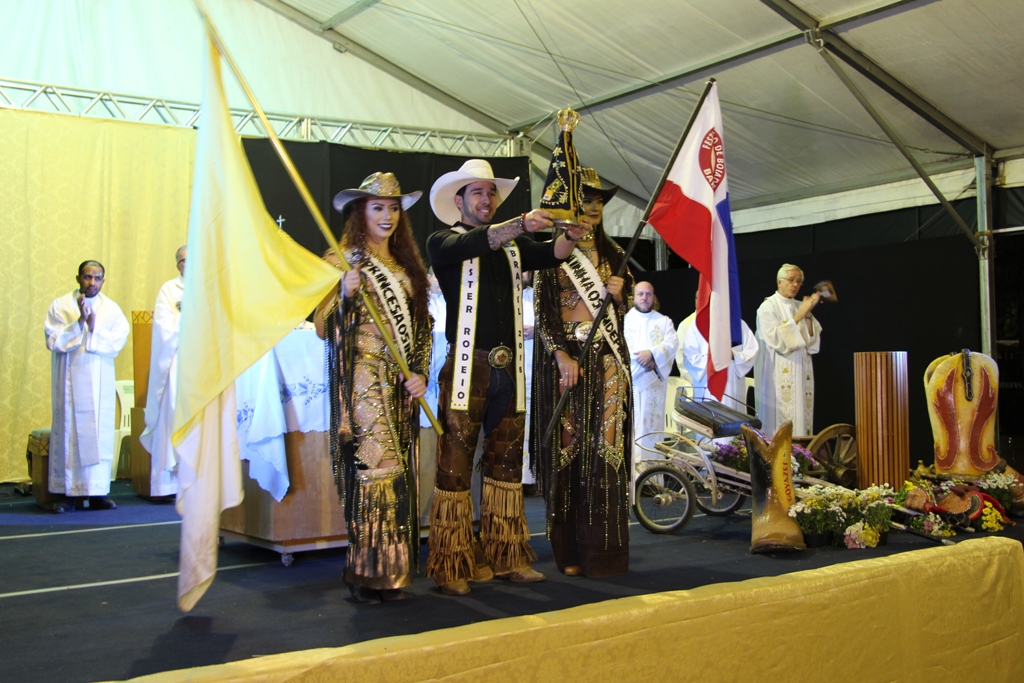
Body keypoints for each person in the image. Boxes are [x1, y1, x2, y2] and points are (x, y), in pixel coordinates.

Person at [425, 158, 588, 596]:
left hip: (508, 367)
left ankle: (506, 555)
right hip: (467, 369)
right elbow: (483, 240)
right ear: (458, 201)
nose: (486, 199)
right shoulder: (443, 242)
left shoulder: (514, 247)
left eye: (490, 192)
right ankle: (451, 561)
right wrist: (521, 223)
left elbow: (551, 255)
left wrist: (568, 237)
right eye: (477, 192)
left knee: (507, 463)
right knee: (455, 466)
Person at [314, 172, 432, 604]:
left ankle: (390, 572)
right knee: (376, 464)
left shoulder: (406, 267)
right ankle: (370, 571)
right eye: (378, 207)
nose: (388, 216)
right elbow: (322, 328)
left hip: (399, 383)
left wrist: (418, 370)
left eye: (394, 208)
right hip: (361, 375)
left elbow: (422, 329)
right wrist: (344, 296)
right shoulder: (340, 260)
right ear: (360, 211)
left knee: (398, 470)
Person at [532, 169, 633, 577]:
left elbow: (621, 315)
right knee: (569, 450)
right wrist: (560, 355)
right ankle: (570, 551)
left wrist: (620, 296)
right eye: (585, 199)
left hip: (607, 357)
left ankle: (605, 554)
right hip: (567, 357)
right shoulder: (552, 252)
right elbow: (542, 311)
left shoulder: (614, 254)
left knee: (606, 451)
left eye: (599, 200)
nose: (593, 207)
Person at [44, 260, 130, 513]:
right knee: (69, 432)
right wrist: (79, 323)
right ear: (78, 278)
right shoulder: (61, 305)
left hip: (99, 382)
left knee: (98, 434)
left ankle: (96, 493)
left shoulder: (112, 310)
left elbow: (117, 341)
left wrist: (93, 328)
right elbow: (53, 339)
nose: (92, 282)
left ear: (103, 280)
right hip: (70, 383)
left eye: (97, 277)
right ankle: (66, 493)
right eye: (87, 277)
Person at [139, 245, 186, 499]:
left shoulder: (210, 285)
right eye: (182, 261)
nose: (187, 264)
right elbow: (164, 327)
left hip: (202, 364)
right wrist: (189, 316)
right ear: (177, 265)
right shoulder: (169, 290)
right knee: (173, 415)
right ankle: (168, 483)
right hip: (176, 361)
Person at [754, 263, 822, 437]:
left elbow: (812, 343)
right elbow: (777, 340)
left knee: (801, 416)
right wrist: (800, 314)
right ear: (779, 281)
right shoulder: (768, 307)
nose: (795, 285)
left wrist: (807, 314)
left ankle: (801, 455)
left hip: (801, 372)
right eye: (791, 280)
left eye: (799, 281)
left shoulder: (801, 305)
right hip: (777, 374)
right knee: (779, 421)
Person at [622, 281, 675, 494]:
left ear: (654, 297)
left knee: (652, 430)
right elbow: (622, 346)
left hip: (653, 383)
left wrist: (652, 355)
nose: (644, 297)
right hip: (632, 383)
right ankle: (632, 482)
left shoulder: (663, 322)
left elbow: (672, 344)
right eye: (640, 294)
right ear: (633, 297)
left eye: (648, 294)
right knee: (632, 430)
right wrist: (642, 360)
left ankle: (652, 483)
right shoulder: (624, 320)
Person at [681, 317, 758, 412]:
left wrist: (734, 355)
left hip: (732, 386)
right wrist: (712, 358)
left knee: (732, 418)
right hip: (707, 385)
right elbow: (689, 357)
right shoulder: (698, 324)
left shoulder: (737, 324)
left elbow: (751, 352)